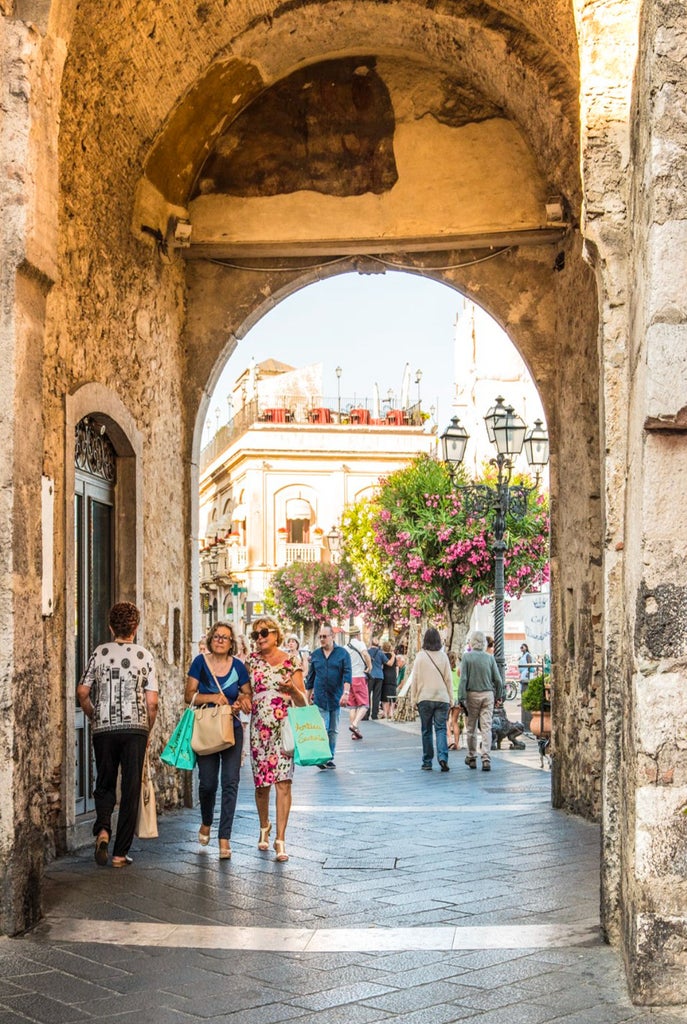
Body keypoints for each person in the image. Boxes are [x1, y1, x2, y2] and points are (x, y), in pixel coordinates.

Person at [77, 601, 158, 868]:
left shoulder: (99, 653)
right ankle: (119, 853)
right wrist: (148, 729)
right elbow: (152, 702)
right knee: (131, 787)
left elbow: (82, 693)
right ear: (135, 627)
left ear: (111, 626)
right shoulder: (144, 656)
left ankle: (102, 831)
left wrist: (92, 714)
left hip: (104, 729)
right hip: (135, 728)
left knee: (105, 782)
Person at [185, 620, 252, 859]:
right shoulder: (200, 663)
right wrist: (213, 697)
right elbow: (188, 696)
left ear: (232, 642)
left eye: (225, 637)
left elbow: (247, 695)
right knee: (207, 784)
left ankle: (225, 838)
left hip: (232, 729)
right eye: (217, 636)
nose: (221, 640)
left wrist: (242, 701)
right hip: (206, 729)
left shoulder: (239, 667)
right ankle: (206, 821)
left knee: (230, 783)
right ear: (211, 639)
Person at [248, 616, 307, 862]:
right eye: (255, 635)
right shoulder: (250, 661)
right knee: (262, 786)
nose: (259, 638)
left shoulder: (291, 661)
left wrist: (291, 690)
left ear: (276, 634)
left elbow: (303, 701)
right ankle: (264, 826)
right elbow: (244, 693)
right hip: (259, 730)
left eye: (264, 633)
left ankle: (280, 838)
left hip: (283, 729)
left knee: (284, 782)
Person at [305, 622, 352, 769]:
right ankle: (322, 757)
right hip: (320, 697)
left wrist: (345, 693)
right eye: (320, 637)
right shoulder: (316, 655)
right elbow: (311, 678)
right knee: (322, 728)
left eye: (325, 636)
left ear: (333, 636)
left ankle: (329, 756)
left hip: (336, 697)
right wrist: (307, 698)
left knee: (333, 730)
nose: (322, 639)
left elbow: (347, 675)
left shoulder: (343, 654)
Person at [458, 629, 503, 772]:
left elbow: (463, 679)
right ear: (484, 643)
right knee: (486, 727)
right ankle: (486, 758)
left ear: (472, 642)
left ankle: (471, 756)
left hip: (472, 695)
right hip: (488, 695)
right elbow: (498, 680)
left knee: (471, 727)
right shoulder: (489, 658)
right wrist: (498, 696)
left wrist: (461, 697)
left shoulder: (467, 657)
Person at [409, 627, 453, 771]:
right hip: (442, 698)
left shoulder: (420, 657)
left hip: (424, 698)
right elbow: (448, 680)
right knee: (441, 729)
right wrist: (451, 699)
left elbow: (414, 680)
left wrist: (413, 699)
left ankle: (427, 761)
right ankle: (442, 757)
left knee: (426, 730)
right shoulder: (443, 656)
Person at [344, 625, 371, 739]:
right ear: (358, 634)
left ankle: (354, 732)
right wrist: (369, 666)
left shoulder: (345, 647)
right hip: (359, 676)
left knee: (353, 706)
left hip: (349, 678)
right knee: (365, 704)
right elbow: (365, 654)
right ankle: (354, 725)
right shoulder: (360, 644)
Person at [366, 637, 390, 719]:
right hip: (379, 676)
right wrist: (393, 655)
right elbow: (388, 662)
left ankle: (366, 714)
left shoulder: (367, 652)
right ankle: (374, 715)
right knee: (376, 696)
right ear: (378, 644)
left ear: (371, 643)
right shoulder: (380, 653)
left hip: (370, 675)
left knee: (367, 695)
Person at [447, 649, 463, 750]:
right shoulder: (458, 670)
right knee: (454, 721)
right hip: (457, 697)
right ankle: (457, 743)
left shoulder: (446, 670)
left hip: (448, 696)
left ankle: (450, 740)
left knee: (445, 720)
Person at [380, 640, 398, 720]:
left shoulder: (382, 655)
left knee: (385, 694)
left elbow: (381, 666)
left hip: (385, 675)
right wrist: (396, 675)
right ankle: (391, 712)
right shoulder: (393, 655)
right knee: (393, 693)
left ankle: (385, 712)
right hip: (393, 676)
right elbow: (397, 667)